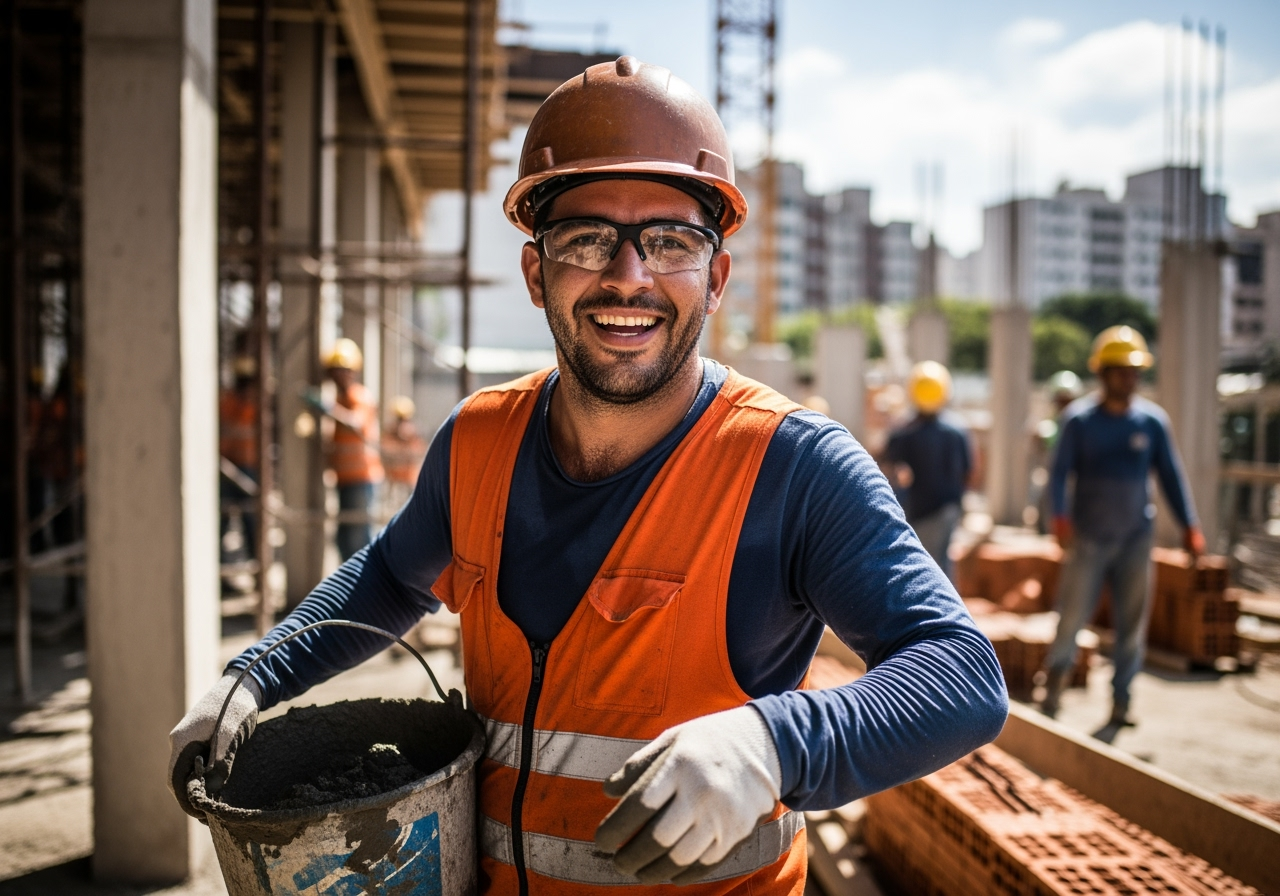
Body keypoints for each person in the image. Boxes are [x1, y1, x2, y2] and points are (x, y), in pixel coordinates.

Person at [169, 57, 1006, 892]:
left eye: (671, 242)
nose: (628, 276)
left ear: (715, 278)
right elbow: (391, 577)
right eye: (586, 239)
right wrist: (255, 675)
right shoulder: (478, 441)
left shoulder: (793, 467)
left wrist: (771, 746)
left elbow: (960, 675)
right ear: (538, 274)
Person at [1040, 327, 1204, 725]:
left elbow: (1171, 475)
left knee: (1131, 626)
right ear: (1103, 373)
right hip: (1089, 538)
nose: (1130, 379)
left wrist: (1190, 524)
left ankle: (1122, 701)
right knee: (1072, 617)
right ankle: (1054, 687)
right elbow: (1058, 475)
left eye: (1135, 372)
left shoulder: (1151, 423)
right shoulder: (1079, 421)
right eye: (1121, 372)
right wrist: (1058, 518)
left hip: (1135, 538)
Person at [882, 361, 972, 580]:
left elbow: (888, 469)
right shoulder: (957, 431)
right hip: (948, 507)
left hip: (918, 510)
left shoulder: (904, 432)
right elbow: (968, 471)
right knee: (942, 565)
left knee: (923, 568)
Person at [322, 338, 385, 561]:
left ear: (353, 372)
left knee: (358, 538)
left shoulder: (360, 396)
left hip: (362, 477)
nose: (339, 375)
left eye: (343, 370)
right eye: (335, 370)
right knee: (344, 537)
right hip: (345, 478)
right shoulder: (340, 399)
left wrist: (328, 408)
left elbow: (355, 423)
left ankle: (367, 580)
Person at [218, 355, 259, 564]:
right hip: (226, 469)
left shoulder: (256, 404)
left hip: (248, 469)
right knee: (222, 519)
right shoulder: (227, 402)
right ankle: (221, 566)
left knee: (251, 519)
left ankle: (256, 564)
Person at [381, 395, 427, 508]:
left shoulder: (412, 431)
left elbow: (419, 450)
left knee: (411, 503)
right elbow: (385, 449)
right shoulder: (391, 431)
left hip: (409, 476)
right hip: (394, 476)